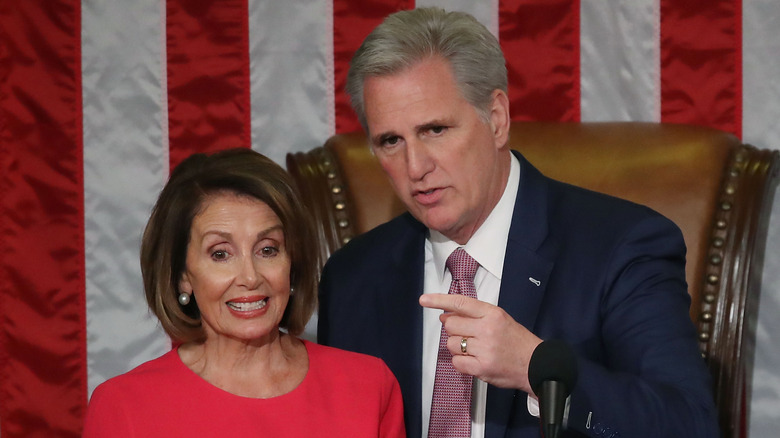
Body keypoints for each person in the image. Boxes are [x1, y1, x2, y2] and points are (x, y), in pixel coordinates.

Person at [317, 7, 719, 438]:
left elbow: (688, 425)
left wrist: (534, 369)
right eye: (390, 141)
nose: (415, 166)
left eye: (435, 130)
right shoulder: (353, 276)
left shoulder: (620, 247)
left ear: (496, 120)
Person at [83, 148, 405, 437]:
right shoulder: (125, 408)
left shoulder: (368, 387)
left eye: (267, 249)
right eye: (221, 254)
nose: (250, 277)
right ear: (182, 276)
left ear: (291, 262)